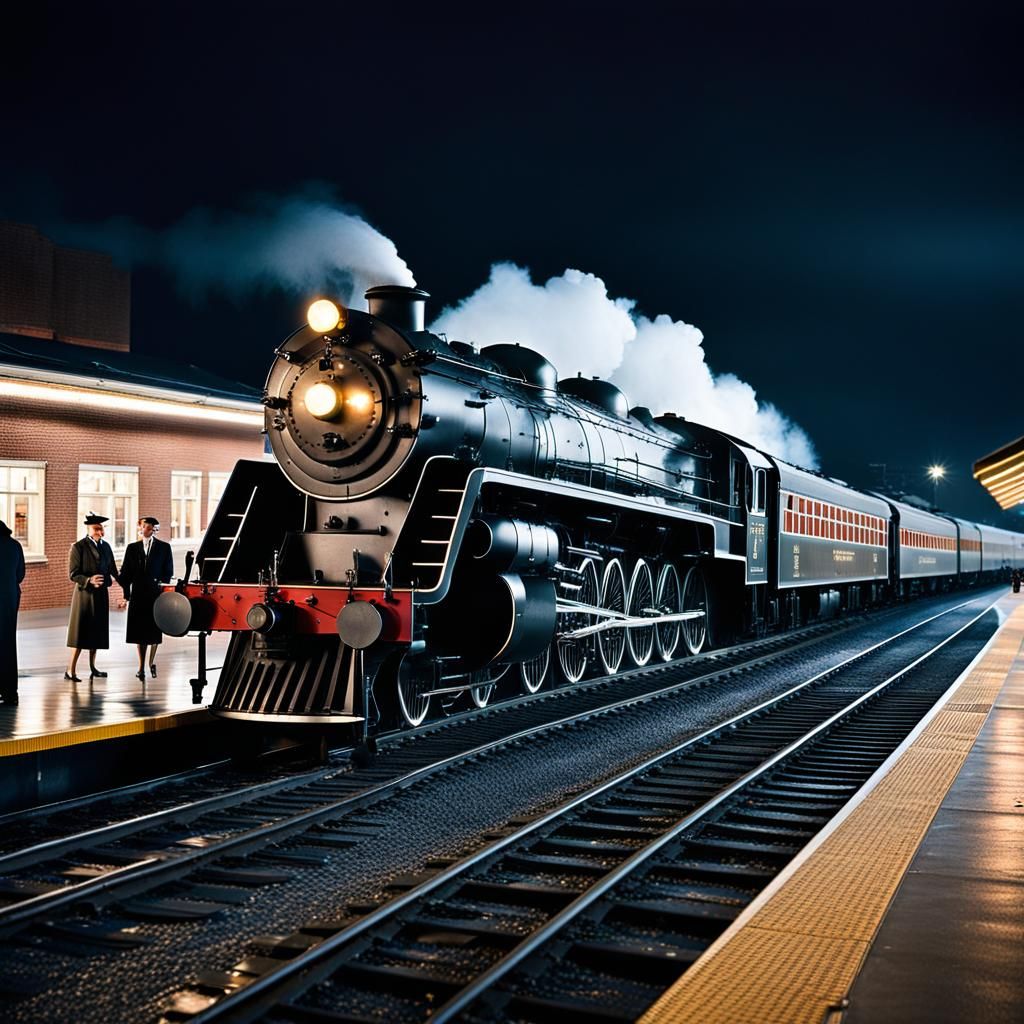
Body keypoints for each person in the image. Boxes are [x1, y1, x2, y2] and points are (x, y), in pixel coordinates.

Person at [66, 512, 119, 681]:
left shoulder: (106, 547)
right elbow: (73, 574)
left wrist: (124, 582)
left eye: (101, 529)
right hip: (84, 596)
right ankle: (70, 670)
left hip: (101, 594)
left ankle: (93, 667)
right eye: (97, 529)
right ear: (88, 529)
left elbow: (113, 569)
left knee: (96, 632)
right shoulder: (78, 547)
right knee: (80, 633)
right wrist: (89, 580)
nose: (100, 532)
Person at [119, 516, 174, 680]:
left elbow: (168, 571)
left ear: (154, 529)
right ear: (140, 528)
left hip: (155, 595)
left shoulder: (164, 548)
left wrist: (162, 590)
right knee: (139, 631)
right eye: (145, 527)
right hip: (138, 594)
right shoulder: (132, 548)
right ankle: (141, 666)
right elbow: (126, 573)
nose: (147, 530)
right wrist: (125, 595)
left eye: (151, 528)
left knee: (154, 630)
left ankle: (151, 663)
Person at [0, 520, 25, 706]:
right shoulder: (15, 545)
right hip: (9, 599)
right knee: (8, 642)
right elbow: (20, 575)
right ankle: (10, 691)